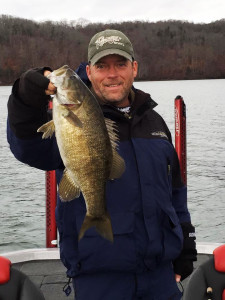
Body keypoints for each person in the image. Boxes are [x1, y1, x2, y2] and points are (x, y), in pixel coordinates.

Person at [7, 29, 197, 299]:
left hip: (160, 278)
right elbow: (27, 146)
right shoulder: (71, 117)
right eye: (102, 66)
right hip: (99, 280)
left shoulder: (154, 122)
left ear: (134, 69)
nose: (112, 74)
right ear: (90, 71)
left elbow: (175, 191)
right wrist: (26, 97)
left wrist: (186, 245)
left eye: (120, 64)